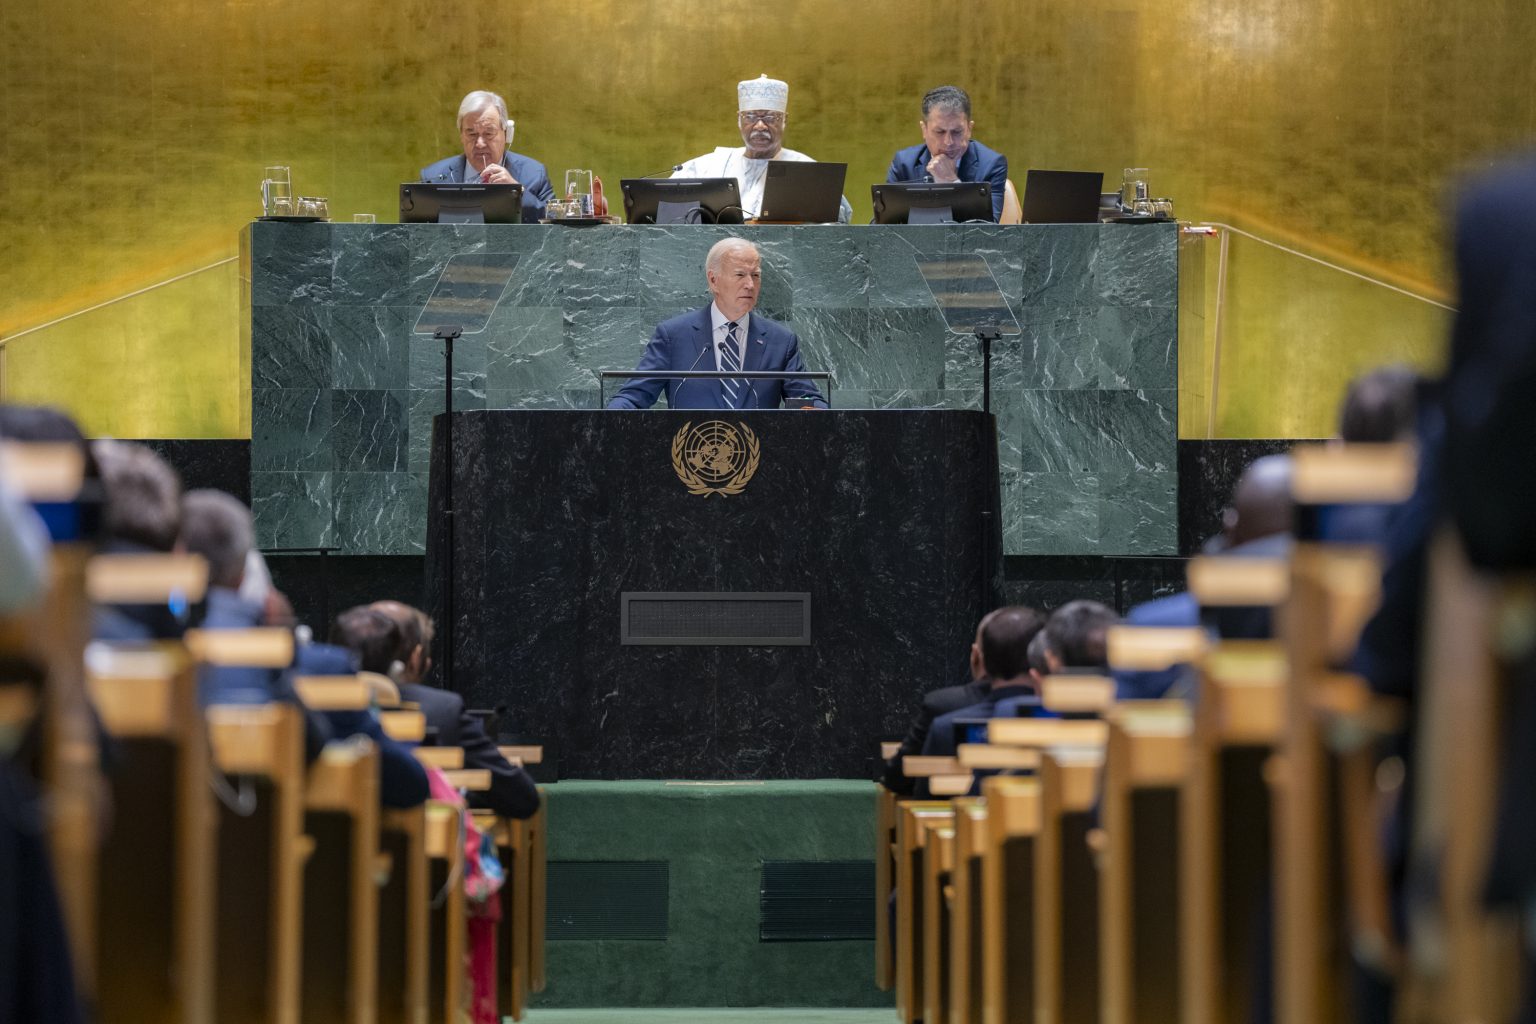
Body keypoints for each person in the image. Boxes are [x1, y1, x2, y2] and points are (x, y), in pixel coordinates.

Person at [605, 237, 828, 410]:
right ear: (713, 280)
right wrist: (602, 420)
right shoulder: (674, 336)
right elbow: (633, 398)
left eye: (756, 275)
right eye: (740, 274)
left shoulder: (781, 341)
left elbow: (806, 399)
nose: (750, 284)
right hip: (689, 458)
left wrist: (820, 411)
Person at [369, 600, 541, 820]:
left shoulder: (317, 706)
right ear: (416, 659)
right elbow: (522, 800)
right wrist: (461, 791)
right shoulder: (443, 711)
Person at [880, 607, 1040, 794]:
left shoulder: (944, 723)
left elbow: (920, 796)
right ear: (1045, 661)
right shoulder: (1066, 723)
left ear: (977, 658)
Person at [673, 75, 851, 223]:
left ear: (785, 120)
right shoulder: (707, 166)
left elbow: (838, 221)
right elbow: (668, 205)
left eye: (770, 117)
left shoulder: (806, 168)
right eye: (750, 116)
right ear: (739, 120)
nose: (759, 126)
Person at [420, 89, 555, 224]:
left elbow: (553, 224)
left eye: (489, 133)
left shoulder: (534, 174)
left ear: (507, 133)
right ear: (461, 135)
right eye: (471, 134)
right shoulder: (432, 177)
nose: (480, 144)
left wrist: (517, 192)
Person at [886, 85, 1009, 223]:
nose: (948, 142)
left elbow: (988, 229)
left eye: (957, 132)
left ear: (969, 129)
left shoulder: (992, 165)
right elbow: (882, 226)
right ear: (924, 130)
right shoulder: (904, 164)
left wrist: (951, 182)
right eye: (940, 132)